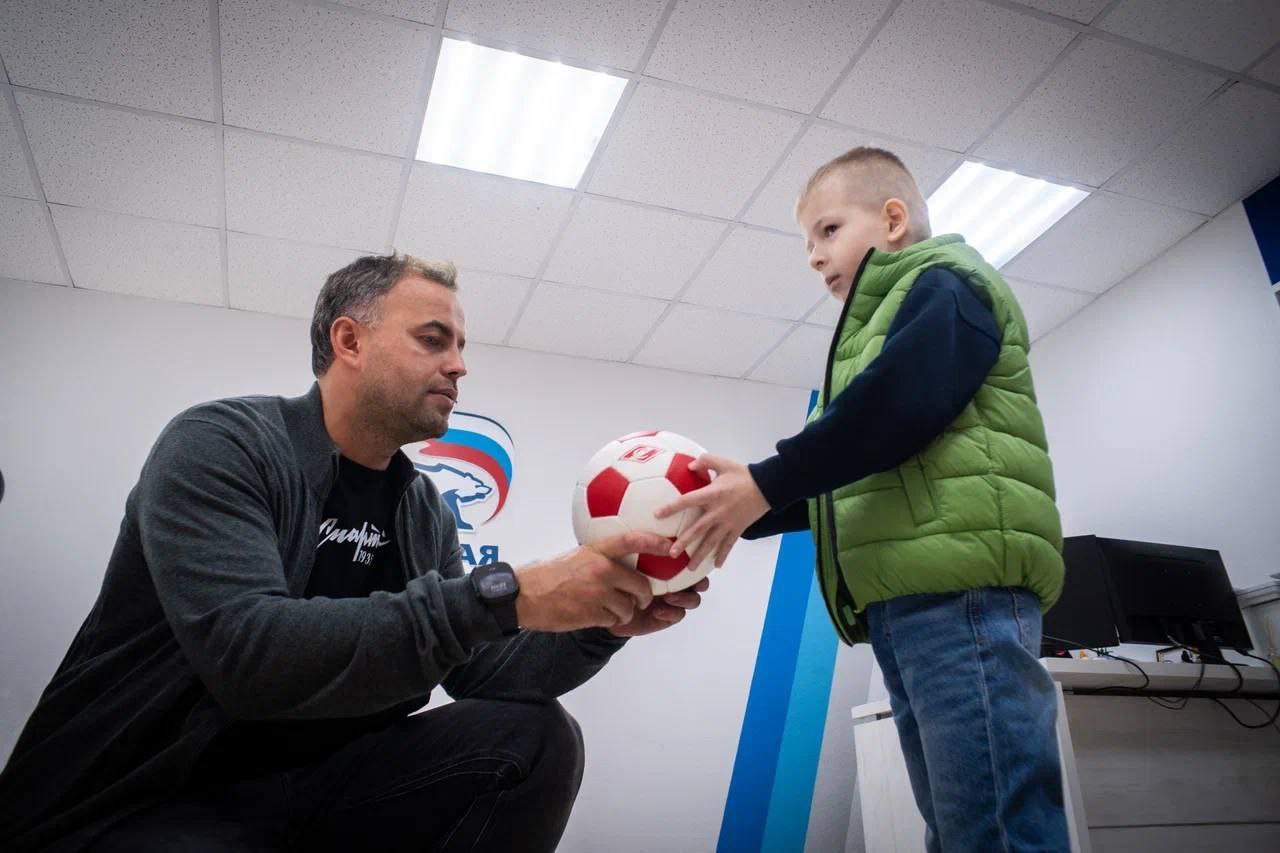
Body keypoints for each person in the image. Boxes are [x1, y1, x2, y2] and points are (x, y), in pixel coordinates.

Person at [0, 254, 707, 852]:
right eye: (433, 339)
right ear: (349, 340)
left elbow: (482, 671)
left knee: (535, 737)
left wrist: (603, 622)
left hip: (322, 790)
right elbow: (248, 655)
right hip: (157, 798)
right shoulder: (221, 445)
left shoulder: (423, 508)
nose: (459, 366)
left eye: (460, 346)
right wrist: (505, 593)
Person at [658, 147, 1069, 852]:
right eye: (808, 245)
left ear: (893, 219)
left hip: (962, 596)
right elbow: (857, 464)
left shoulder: (949, 283)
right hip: (908, 606)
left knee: (993, 828)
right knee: (958, 826)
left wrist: (766, 481)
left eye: (828, 230)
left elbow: (894, 408)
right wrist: (748, 501)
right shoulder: (879, 329)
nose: (815, 257)